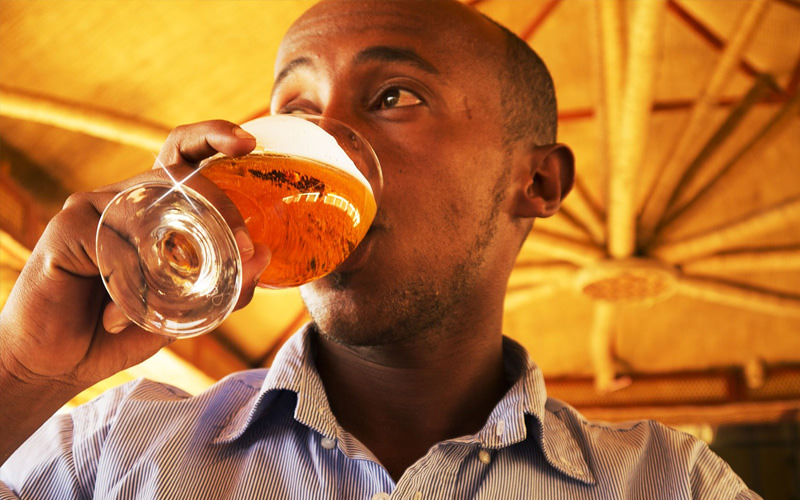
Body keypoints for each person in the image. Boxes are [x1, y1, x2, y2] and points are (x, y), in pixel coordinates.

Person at [0, 0, 760, 498]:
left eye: (395, 97)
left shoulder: (667, 482)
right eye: (297, 110)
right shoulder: (115, 453)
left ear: (536, 180)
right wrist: (22, 373)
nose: (325, 145)